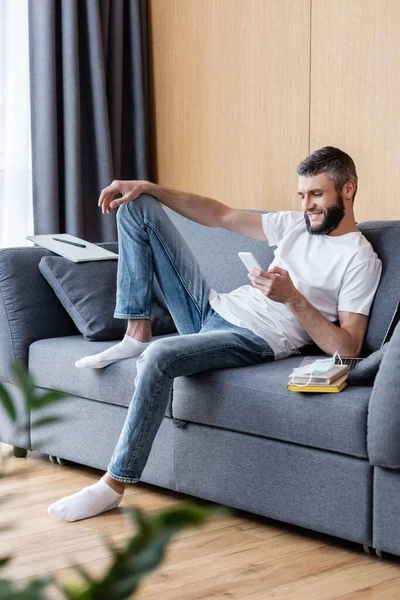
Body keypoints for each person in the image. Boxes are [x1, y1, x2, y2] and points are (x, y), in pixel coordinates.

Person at [48, 146, 382, 522]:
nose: (307, 205)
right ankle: (136, 330)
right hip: (210, 308)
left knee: (159, 357)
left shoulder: (359, 259)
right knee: (138, 207)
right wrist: (149, 187)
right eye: (302, 195)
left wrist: (293, 299)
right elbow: (219, 214)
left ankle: (112, 485)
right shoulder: (295, 225)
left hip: (253, 339)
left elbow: (349, 348)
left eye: (317, 194)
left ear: (348, 189)